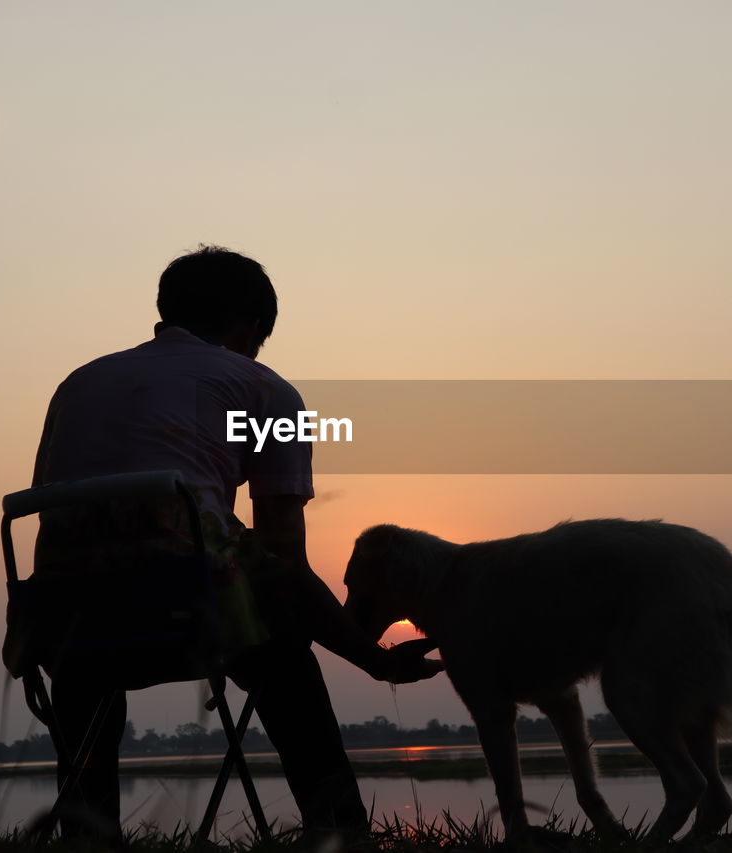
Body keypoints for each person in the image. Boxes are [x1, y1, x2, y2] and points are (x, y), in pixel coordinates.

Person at [30, 245, 441, 844]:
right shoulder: (265, 391)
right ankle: (340, 831)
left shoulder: (79, 384)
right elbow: (287, 565)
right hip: (184, 615)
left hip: (62, 620)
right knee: (281, 637)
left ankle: (89, 835)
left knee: (89, 670)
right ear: (249, 327)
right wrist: (374, 660)